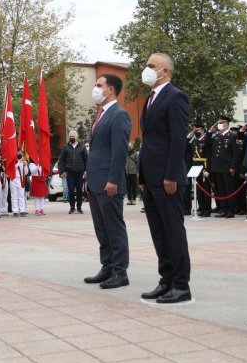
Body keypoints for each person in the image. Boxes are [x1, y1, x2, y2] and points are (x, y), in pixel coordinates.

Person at [138, 53, 192, 304]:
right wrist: (142, 175)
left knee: (173, 232)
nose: (146, 69)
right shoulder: (150, 98)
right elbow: (149, 141)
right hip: (151, 178)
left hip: (168, 178)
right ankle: (166, 280)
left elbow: (178, 139)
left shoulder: (175, 97)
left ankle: (181, 285)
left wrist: (171, 174)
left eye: (151, 66)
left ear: (165, 71)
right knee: (159, 233)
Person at [82, 74, 132, 290]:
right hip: (95, 182)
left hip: (109, 183)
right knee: (101, 229)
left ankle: (120, 272)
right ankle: (107, 266)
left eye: (98, 85)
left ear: (110, 89)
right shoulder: (101, 114)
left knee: (114, 228)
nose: (95, 88)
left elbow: (119, 151)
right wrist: (88, 178)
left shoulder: (119, 115)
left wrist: (113, 179)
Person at [208, 116, 239, 218]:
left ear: (227, 125)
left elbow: (235, 154)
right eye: (219, 124)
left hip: (227, 167)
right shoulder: (217, 136)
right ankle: (223, 209)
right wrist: (211, 131)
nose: (220, 125)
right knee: (220, 190)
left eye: (223, 123)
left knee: (229, 189)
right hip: (217, 167)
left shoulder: (232, 136)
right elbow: (208, 142)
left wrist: (233, 167)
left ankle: (231, 210)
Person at [58, 131, 87, 214]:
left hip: (80, 172)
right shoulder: (65, 147)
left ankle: (79, 208)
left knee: (79, 191)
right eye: (70, 136)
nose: (71, 138)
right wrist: (62, 171)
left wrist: (86, 171)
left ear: (76, 137)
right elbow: (61, 160)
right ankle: (72, 208)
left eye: (73, 136)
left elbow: (86, 160)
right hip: (70, 173)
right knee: (70, 191)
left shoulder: (82, 147)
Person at [188, 123, 211, 216]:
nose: (196, 132)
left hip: (204, 166)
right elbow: (187, 139)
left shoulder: (206, 139)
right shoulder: (196, 140)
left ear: (202, 130)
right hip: (196, 166)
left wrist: (207, 169)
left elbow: (209, 155)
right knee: (199, 190)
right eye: (195, 130)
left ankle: (207, 209)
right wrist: (193, 131)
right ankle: (201, 207)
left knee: (206, 189)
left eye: (198, 130)